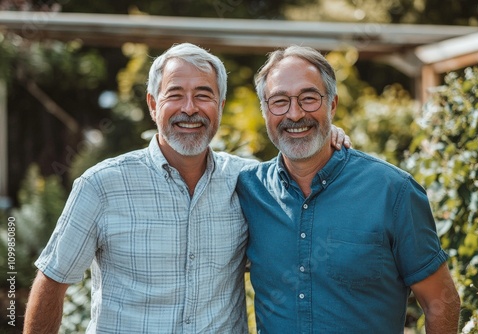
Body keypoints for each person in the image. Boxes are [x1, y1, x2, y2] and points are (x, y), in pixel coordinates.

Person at [23, 43, 350, 333]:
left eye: (204, 95)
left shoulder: (251, 182)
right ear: (153, 104)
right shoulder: (101, 186)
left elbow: (305, 185)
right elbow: (53, 280)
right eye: (175, 94)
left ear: (220, 105)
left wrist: (330, 137)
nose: (190, 108)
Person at [236, 45, 461, 333]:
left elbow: (441, 301)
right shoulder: (248, 188)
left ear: (331, 104)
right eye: (279, 101)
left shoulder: (393, 192)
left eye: (309, 98)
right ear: (265, 110)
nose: (294, 114)